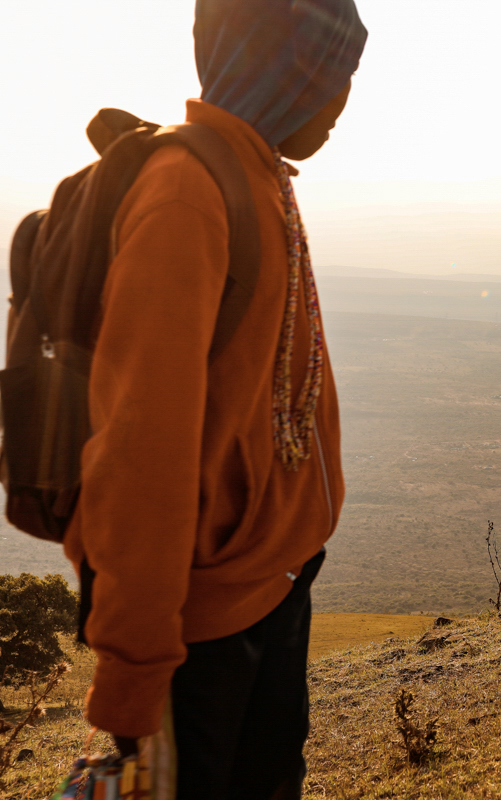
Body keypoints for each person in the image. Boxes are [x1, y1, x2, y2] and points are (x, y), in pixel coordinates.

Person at [59, 2, 367, 797]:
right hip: (204, 638)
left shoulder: (258, 174)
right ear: (284, 69)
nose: (339, 105)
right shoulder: (188, 195)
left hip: (274, 590)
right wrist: (131, 679)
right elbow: (139, 454)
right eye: (331, 78)